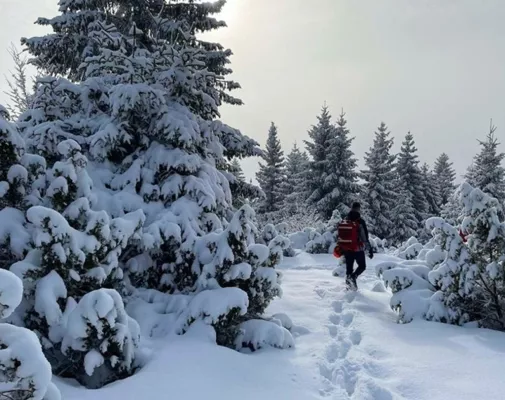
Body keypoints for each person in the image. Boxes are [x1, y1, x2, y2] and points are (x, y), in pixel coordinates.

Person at [342, 202, 373, 290]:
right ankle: (353, 277)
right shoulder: (360, 221)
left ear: (351, 208)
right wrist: (369, 249)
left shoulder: (345, 219)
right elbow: (365, 237)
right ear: (359, 209)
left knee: (349, 269)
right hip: (357, 248)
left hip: (347, 249)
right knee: (362, 266)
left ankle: (349, 288)